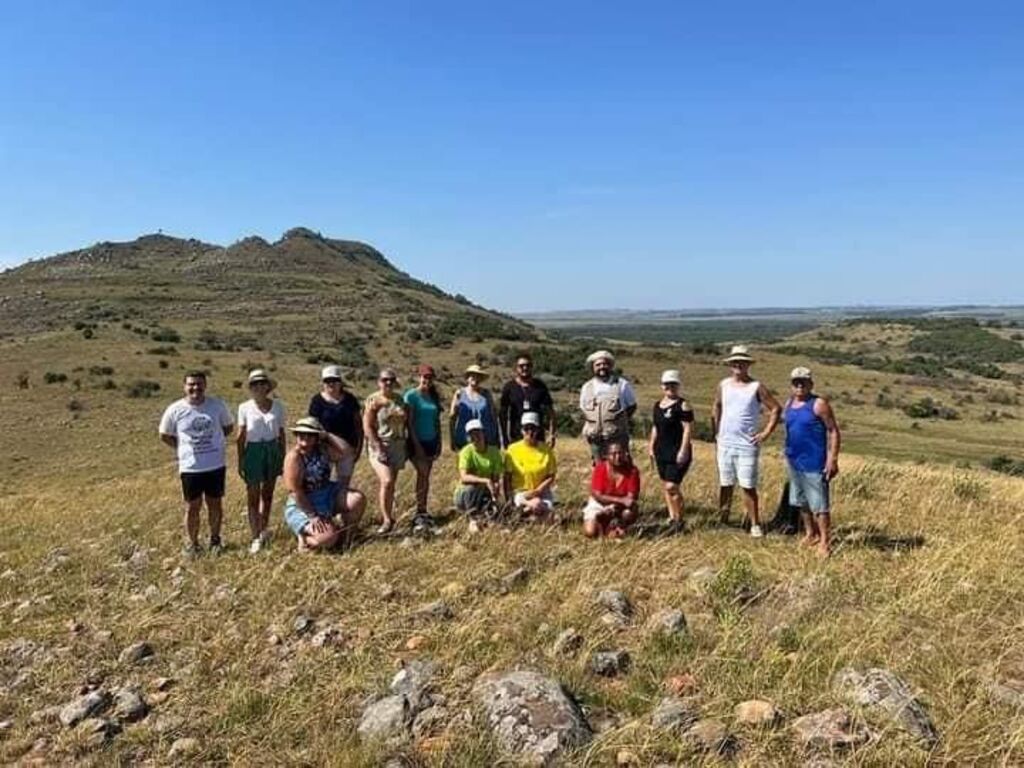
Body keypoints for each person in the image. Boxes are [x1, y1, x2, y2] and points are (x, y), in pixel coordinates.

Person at [159, 371, 234, 557]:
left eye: (199, 384)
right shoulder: (175, 409)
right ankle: (192, 544)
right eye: (191, 384)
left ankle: (215, 540)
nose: (195, 388)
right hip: (190, 467)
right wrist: (182, 448)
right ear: (184, 386)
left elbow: (228, 427)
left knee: (215, 504)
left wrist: (213, 444)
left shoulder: (217, 406)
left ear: (205, 385)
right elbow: (164, 434)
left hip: (215, 465)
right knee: (192, 507)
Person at [711, 345, 782, 538]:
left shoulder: (756, 387)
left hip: (746, 444)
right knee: (725, 483)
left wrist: (765, 433)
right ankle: (722, 519)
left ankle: (755, 524)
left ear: (748, 365)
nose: (738, 365)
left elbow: (775, 408)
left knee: (747, 485)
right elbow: (716, 406)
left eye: (742, 362)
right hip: (725, 442)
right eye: (735, 362)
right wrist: (717, 431)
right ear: (730, 364)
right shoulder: (723, 385)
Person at [283, 417, 366, 551]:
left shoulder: (323, 449)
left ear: (317, 438)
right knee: (327, 539)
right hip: (304, 503)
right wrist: (313, 516)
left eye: (309, 436)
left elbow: (346, 452)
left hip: (327, 494)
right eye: (300, 435)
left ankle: (346, 538)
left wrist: (326, 435)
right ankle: (305, 539)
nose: (304, 440)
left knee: (357, 499)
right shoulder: (294, 457)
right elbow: (295, 491)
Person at [783, 366, 841, 557]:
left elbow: (833, 431)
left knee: (820, 505)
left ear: (810, 384)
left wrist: (832, 459)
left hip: (815, 462)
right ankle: (811, 533)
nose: (799, 385)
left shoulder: (819, 404)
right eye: (796, 382)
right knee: (801, 502)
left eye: (803, 382)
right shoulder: (789, 404)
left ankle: (825, 541)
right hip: (794, 461)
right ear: (792, 384)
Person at [236, 369, 286, 554]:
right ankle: (255, 535)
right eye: (255, 384)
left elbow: (281, 434)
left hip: (272, 449)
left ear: (267, 386)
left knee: (268, 493)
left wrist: (282, 457)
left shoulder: (278, 406)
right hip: (254, 451)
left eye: (262, 383)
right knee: (253, 495)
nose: (259, 387)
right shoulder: (244, 407)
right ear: (251, 388)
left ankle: (264, 528)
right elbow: (240, 436)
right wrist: (241, 460)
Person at [363, 368, 409, 534]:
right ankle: (387, 520)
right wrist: (377, 446)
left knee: (391, 484)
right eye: (384, 380)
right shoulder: (373, 400)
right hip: (380, 444)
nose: (388, 382)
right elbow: (367, 426)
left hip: (397, 445)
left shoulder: (400, 400)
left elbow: (406, 420)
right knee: (387, 481)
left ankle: (389, 517)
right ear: (379, 382)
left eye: (391, 379)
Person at [647, 369, 694, 534]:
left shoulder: (682, 405)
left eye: (673, 384)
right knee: (666, 486)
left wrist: (683, 450)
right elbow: (655, 428)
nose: (670, 387)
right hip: (661, 450)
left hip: (677, 450)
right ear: (662, 386)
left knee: (672, 485)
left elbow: (687, 428)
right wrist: (651, 446)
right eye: (667, 384)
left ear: (678, 386)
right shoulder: (657, 405)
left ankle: (680, 519)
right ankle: (672, 516)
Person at [308, 365, 363, 492]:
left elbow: (358, 425)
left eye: (334, 380)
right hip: (323, 450)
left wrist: (359, 448)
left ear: (340, 382)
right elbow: (312, 426)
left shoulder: (350, 400)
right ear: (323, 383)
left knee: (343, 486)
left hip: (348, 450)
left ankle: (341, 510)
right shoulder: (317, 401)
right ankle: (326, 510)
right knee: (322, 483)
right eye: (327, 381)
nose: (331, 384)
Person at [404, 364, 443, 533]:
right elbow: (409, 423)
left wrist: (440, 441)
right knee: (423, 474)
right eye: (424, 377)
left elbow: (436, 421)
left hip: (431, 441)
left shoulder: (433, 396)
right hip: (416, 441)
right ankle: (420, 510)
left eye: (430, 377)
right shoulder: (411, 396)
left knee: (425, 477)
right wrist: (416, 444)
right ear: (419, 377)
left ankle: (423, 509)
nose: (427, 380)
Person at [579, 350, 637, 462]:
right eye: (598, 365)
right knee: (600, 470)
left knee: (621, 468)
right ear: (593, 367)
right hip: (595, 440)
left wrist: (617, 423)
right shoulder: (586, 387)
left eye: (605, 364)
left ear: (610, 366)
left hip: (617, 439)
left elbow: (632, 406)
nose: (602, 367)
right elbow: (584, 409)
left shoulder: (622, 385)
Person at [453, 418, 504, 533]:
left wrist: (495, 489)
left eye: (478, 432)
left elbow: (496, 477)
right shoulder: (466, 452)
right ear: (468, 437)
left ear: (483, 433)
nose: (475, 437)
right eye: (472, 434)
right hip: (466, 495)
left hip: (486, 493)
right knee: (471, 488)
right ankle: (473, 519)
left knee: (495, 507)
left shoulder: (494, 452)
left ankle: (490, 518)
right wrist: (485, 480)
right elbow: (464, 477)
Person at [504, 412, 557, 520]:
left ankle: (524, 513)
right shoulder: (512, 450)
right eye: (526, 428)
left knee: (541, 506)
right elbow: (507, 476)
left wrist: (538, 491)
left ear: (538, 430)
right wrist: (509, 497)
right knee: (538, 505)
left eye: (533, 428)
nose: (530, 432)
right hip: (521, 492)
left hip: (542, 492)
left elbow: (551, 475)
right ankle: (527, 511)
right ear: (521, 430)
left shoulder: (546, 450)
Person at [583, 442, 640, 539]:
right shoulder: (600, 468)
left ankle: (619, 525)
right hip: (599, 503)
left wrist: (615, 507)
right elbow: (597, 495)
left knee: (629, 512)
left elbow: (631, 498)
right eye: (613, 454)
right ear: (606, 456)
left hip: (620, 507)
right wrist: (620, 501)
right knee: (590, 532)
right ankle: (606, 526)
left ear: (625, 454)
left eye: (620, 453)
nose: (617, 457)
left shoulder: (632, 471)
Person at [498, 353, 556, 448]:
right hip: (516, 437)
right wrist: (504, 436)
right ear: (516, 368)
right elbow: (502, 415)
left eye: (528, 365)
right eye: (521, 366)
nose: (525, 368)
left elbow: (550, 413)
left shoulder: (540, 386)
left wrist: (551, 434)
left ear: (532, 367)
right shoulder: (509, 388)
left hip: (537, 437)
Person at [449, 364, 500, 450]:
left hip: (486, 438)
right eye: (473, 375)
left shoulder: (486, 394)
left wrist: (497, 437)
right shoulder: (460, 393)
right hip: (464, 439)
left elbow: (493, 416)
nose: (475, 378)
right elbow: (452, 417)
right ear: (468, 378)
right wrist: (452, 439)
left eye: (478, 376)